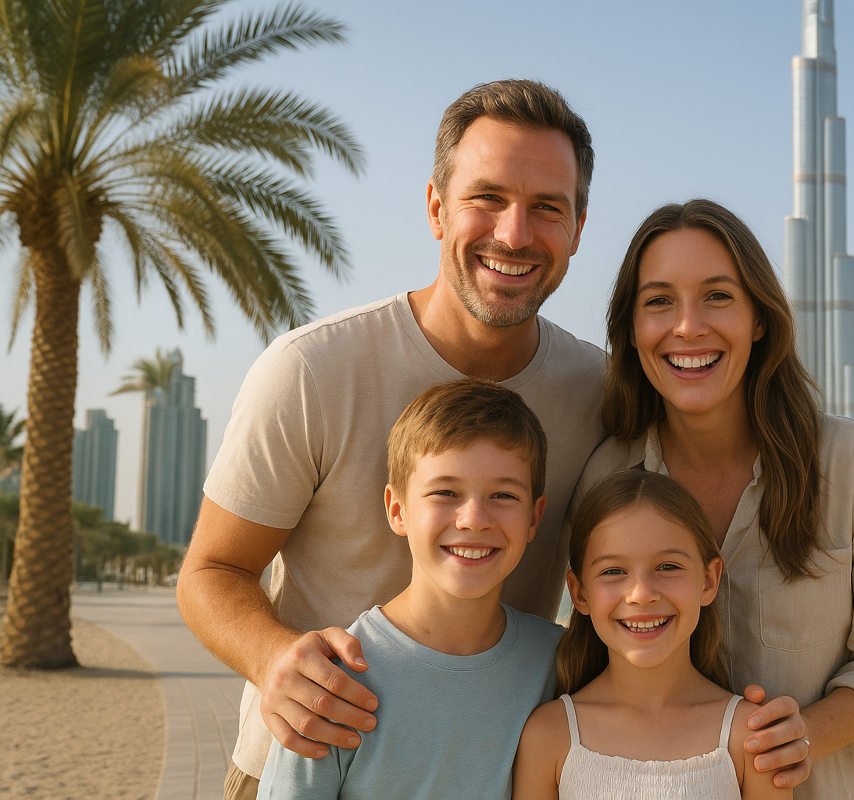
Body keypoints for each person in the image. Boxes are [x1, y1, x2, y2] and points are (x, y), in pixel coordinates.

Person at [176, 82, 809, 800]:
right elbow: (211, 573)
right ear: (436, 208)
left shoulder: (602, 395)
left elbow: (682, 485)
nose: (514, 233)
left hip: (501, 773)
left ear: (577, 227)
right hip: (311, 760)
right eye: (487, 198)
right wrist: (278, 660)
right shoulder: (311, 371)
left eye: (547, 207)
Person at [575, 199, 854, 798]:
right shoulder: (605, 475)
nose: (688, 326)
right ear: (631, 331)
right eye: (658, 301)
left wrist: (801, 736)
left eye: (718, 296)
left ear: (759, 319)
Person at [257, 379, 562, 798]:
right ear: (397, 510)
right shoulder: (335, 682)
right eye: (445, 492)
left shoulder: (558, 662)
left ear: (534, 518)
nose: (474, 518)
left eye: (503, 495)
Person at [513, 471, 787, 799]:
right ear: (580, 592)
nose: (641, 594)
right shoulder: (549, 734)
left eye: (668, 567)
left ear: (708, 580)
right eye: (613, 571)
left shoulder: (750, 736)